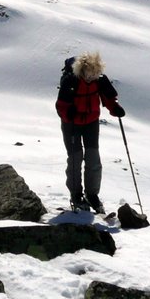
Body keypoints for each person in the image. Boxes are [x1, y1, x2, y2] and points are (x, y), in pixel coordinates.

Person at [55, 50, 125, 213]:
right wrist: (68, 114)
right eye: (89, 73)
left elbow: (109, 98)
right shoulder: (70, 81)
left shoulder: (100, 80)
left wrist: (115, 108)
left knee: (93, 158)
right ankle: (76, 194)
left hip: (91, 123)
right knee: (75, 158)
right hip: (71, 124)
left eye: (95, 73)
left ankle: (92, 194)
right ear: (82, 70)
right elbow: (61, 105)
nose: (91, 77)